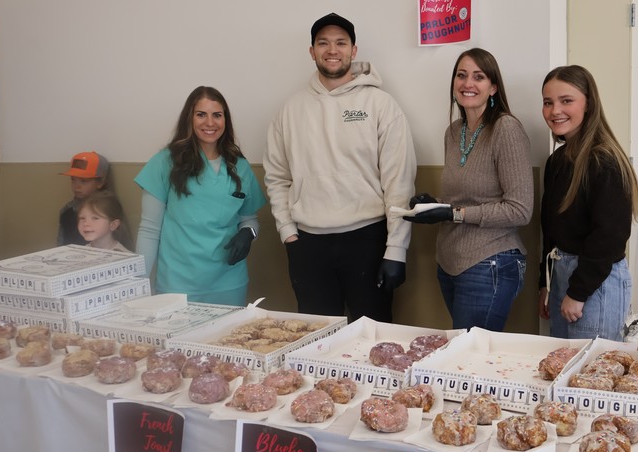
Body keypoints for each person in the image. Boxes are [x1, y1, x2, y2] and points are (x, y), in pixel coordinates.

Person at [263, 13, 417, 323]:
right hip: (307, 245)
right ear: (312, 52)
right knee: (315, 343)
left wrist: (396, 249)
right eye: (323, 43)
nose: (332, 50)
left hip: (368, 241)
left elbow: (399, 183)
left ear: (353, 50)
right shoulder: (290, 110)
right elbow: (277, 176)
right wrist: (288, 233)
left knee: (373, 342)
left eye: (340, 43)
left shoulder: (380, 105)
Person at [404, 48, 534, 331]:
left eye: (479, 76)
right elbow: (461, 200)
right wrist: (433, 205)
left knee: (471, 361)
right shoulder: (453, 132)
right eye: (461, 76)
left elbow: (520, 210)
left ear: (493, 87)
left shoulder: (505, 129)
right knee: (461, 354)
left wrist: (453, 213)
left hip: (491, 262)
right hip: (449, 263)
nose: (468, 83)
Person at [135, 86, 266, 306]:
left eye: (217, 115)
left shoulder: (239, 165)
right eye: (201, 115)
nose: (210, 123)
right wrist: (137, 285)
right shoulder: (165, 163)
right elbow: (149, 230)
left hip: (229, 283)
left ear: (226, 120)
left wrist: (248, 233)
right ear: (189, 118)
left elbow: (249, 220)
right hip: (178, 285)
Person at [537, 65, 638, 341]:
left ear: (589, 104)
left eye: (566, 101)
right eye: (548, 102)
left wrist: (577, 292)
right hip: (561, 273)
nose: (555, 110)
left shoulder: (604, 161)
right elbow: (550, 231)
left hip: (595, 282)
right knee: (561, 368)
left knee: (590, 374)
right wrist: (545, 284)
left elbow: (609, 237)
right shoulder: (557, 161)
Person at [57, 151, 113, 246]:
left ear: (100, 182)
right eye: (73, 179)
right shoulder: (67, 210)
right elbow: (60, 243)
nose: (76, 186)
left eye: (84, 181)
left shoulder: (108, 210)